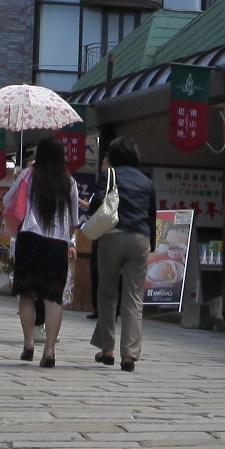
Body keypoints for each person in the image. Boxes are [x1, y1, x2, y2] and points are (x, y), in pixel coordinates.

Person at [5, 137, 82, 366]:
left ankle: (29, 343)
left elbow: (8, 201)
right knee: (53, 298)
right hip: (57, 243)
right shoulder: (69, 181)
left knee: (26, 294)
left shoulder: (28, 176)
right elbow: (74, 219)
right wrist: (70, 241)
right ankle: (49, 351)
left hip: (30, 239)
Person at [90, 136, 157, 372]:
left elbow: (96, 205)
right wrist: (152, 244)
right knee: (134, 297)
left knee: (107, 293)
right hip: (140, 240)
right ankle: (129, 355)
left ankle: (107, 349)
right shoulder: (146, 181)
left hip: (113, 237)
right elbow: (151, 215)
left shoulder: (109, 175)